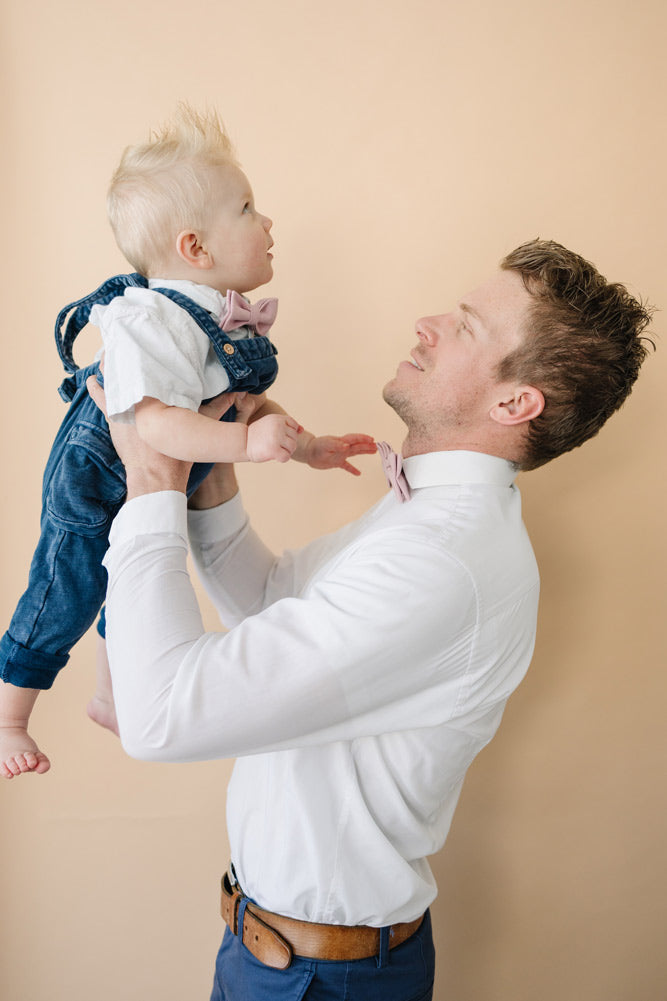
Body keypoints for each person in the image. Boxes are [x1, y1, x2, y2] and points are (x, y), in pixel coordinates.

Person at [96, 240, 652, 1001]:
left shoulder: (441, 559)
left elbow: (160, 718)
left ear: (514, 403)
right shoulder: (427, 518)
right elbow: (272, 603)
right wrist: (210, 475)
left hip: (318, 983)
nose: (426, 323)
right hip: (274, 956)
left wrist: (152, 483)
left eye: (463, 326)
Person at [0, 105, 375, 779]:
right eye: (248, 208)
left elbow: (243, 400)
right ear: (195, 248)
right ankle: (8, 717)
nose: (267, 223)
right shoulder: (148, 319)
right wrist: (245, 446)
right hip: (98, 476)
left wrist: (306, 444)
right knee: (69, 590)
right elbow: (154, 425)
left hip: (167, 474)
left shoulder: (220, 319)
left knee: (136, 585)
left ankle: (112, 693)